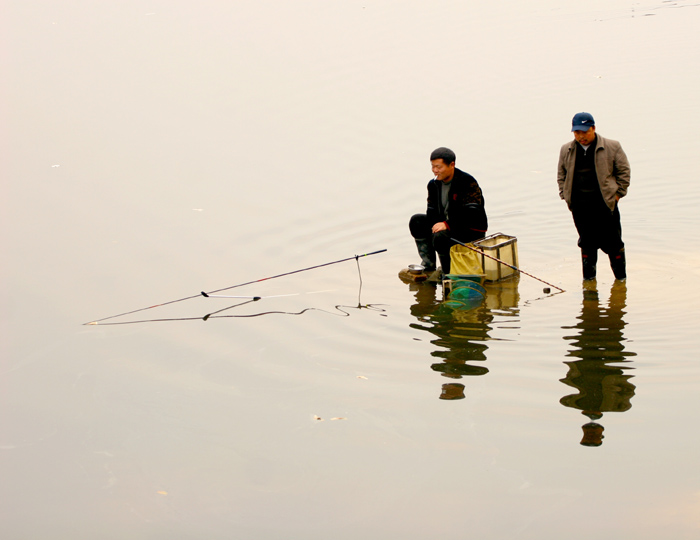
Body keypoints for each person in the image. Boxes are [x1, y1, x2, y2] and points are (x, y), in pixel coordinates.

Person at [557, 113, 630, 281]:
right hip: (579, 207)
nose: (581, 137)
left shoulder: (612, 146)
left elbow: (624, 173)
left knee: (614, 245)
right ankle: (589, 285)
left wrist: (617, 195)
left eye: (584, 132)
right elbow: (561, 175)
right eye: (577, 133)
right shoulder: (566, 149)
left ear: (593, 128)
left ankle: (621, 283)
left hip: (605, 206)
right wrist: (565, 196)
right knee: (587, 245)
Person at [409, 147, 487, 275]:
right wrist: (436, 224)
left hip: (469, 230)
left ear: (452, 165)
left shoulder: (467, 182)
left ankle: (447, 273)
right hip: (446, 225)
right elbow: (431, 209)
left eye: (438, 167)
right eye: (433, 167)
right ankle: (428, 266)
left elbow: (472, 214)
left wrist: (446, 225)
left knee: (440, 236)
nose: (435, 171)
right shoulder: (433, 185)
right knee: (417, 221)